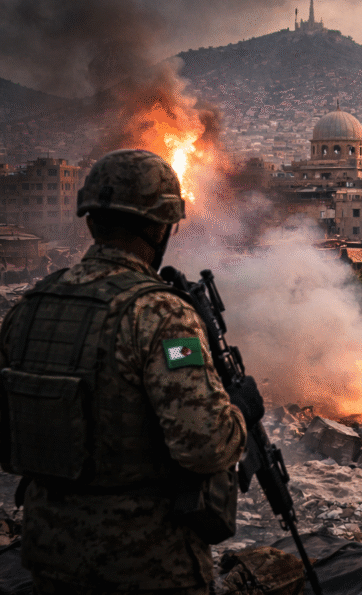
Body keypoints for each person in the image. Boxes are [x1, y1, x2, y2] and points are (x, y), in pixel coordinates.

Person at [0, 149, 253, 595]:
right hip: (144, 564)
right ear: (161, 228)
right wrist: (239, 412)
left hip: (50, 552)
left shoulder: (31, 307)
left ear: (92, 223)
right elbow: (204, 445)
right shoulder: (160, 314)